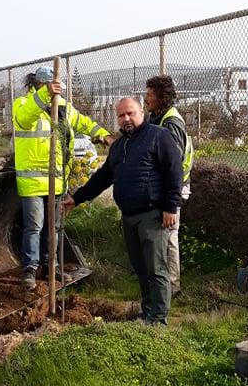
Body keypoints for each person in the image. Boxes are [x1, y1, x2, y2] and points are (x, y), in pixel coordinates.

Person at [63, 97, 182, 325]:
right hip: (129, 216)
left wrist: (170, 207)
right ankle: (147, 312)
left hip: (153, 215)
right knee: (141, 267)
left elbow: (174, 172)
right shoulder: (119, 146)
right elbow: (103, 178)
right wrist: (77, 198)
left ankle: (158, 319)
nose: (126, 118)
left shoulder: (159, 137)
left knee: (156, 268)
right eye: (121, 115)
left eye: (130, 113)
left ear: (141, 112)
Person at [12, 67, 112, 291]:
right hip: (32, 183)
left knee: (55, 227)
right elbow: (25, 118)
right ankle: (30, 269)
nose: (57, 95)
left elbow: (83, 122)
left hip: (56, 182)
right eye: (52, 90)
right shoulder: (23, 104)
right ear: (40, 86)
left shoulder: (63, 108)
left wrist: (102, 133)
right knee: (34, 227)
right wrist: (45, 95)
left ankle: (51, 267)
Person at [145, 75, 194, 298]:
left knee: (169, 237)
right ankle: (162, 281)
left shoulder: (171, 123)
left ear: (161, 97)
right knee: (161, 237)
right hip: (162, 189)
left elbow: (173, 165)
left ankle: (172, 286)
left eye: (149, 94)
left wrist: (169, 202)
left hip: (172, 190)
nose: (146, 98)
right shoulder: (157, 118)